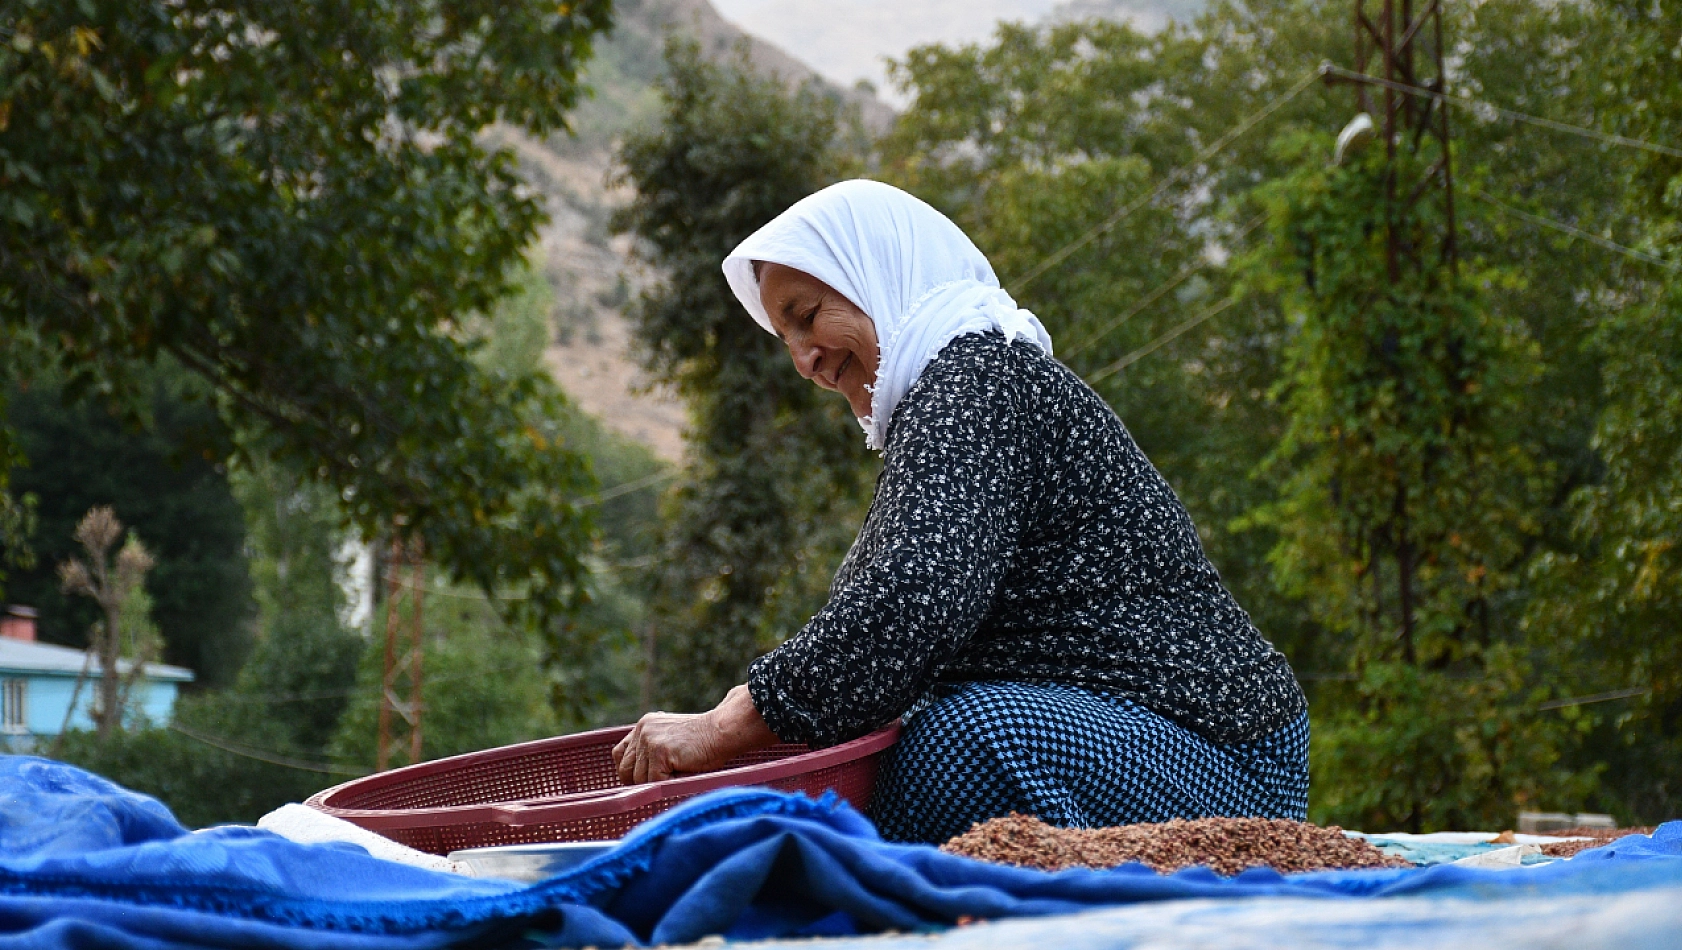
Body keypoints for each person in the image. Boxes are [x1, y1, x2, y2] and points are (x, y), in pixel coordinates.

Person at [611, 179, 1309, 844]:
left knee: (962, 744)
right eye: (785, 337)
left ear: (875, 275)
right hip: (1147, 748)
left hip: (1227, 762)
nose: (805, 360)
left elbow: (912, 602)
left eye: (807, 317)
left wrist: (731, 720)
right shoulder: (945, 397)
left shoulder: (975, 378)